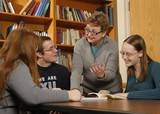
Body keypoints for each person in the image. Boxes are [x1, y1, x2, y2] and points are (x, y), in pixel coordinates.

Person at [0, 29, 81, 114]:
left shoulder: (5, 62)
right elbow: (32, 96)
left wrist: (51, 94)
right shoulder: (15, 65)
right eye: (34, 50)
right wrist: (69, 94)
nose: (35, 54)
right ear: (26, 49)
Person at [70, 11, 123, 96]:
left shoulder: (112, 45)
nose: (89, 34)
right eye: (87, 30)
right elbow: (76, 70)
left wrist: (102, 75)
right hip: (89, 89)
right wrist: (74, 90)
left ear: (104, 33)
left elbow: (111, 72)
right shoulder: (80, 45)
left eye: (94, 32)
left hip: (111, 90)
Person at [114, 34, 160, 99]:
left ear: (140, 53)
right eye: (123, 53)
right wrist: (110, 93)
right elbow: (127, 94)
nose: (124, 57)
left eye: (128, 54)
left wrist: (129, 95)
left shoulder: (155, 67)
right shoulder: (131, 70)